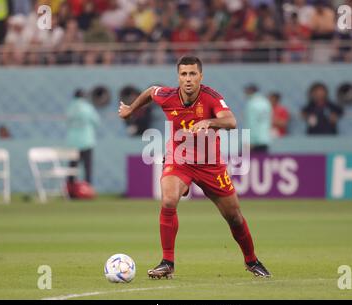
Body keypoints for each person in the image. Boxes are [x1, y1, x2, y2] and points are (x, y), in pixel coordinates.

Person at [118, 56, 270, 279]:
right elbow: (151, 91)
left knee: (234, 217)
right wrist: (131, 109)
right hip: (179, 160)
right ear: (178, 76)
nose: (188, 79)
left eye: (192, 74)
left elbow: (231, 122)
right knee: (169, 199)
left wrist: (209, 121)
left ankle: (251, 260)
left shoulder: (211, 97)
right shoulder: (168, 96)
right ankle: (167, 262)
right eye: (183, 74)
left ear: (201, 76)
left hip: (210, 165)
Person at [66, 89, 100, 186]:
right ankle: (87, 188)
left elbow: (67, 122)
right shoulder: (88, 108)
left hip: (73, 141)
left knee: (72, 167)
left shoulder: (70, 108)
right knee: (87, 167)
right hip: (87, 141)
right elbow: (96, 121)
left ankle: (71, 189)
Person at [243, 83, 271, 153]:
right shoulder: (266, 102)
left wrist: (250, 141)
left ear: (250, 91)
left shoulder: (252, 103)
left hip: (255, 142)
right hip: (265, 138)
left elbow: (252, 124)